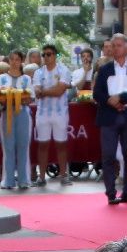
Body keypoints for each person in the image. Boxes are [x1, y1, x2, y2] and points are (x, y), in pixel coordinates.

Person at [93, 32, 127, 205]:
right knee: (108, 155)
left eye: (119, 45)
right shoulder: (105, 70)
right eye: (113, 46)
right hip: (109, 117)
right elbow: (97, 93)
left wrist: (121, 98)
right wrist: (110, 100)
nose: (116, 48)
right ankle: (110, 193)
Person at [32, 43, 74, 185]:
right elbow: (37, 92)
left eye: (49, 54)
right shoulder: (38, 72)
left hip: (60, 112)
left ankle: (63, 175)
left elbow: (60, 91)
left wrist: (44, 91)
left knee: (61, 144)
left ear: (55, 55)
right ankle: (41, 177)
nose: (46, 57)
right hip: (43, 113)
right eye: (44, 55)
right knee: (42, 145)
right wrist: (48, 91)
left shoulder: (64, 70)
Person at [0, 49, 35, 190]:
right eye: (11, 59)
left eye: (17, 59)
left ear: (21, 61)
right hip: (7, 113)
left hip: (23, 114)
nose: (14, 62)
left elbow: (31, 97)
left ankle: (24, 179)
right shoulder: (2, 79)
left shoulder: (27, 79)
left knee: (23, 146)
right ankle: (8, 180)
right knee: (8, 147)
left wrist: (23, 99)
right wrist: (2, 102)